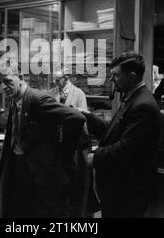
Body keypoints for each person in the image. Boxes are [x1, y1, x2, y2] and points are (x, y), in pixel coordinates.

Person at [0, 62, 86, 218]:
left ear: (20, 78)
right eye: (0, 83)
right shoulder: (15, 98)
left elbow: (76, 118)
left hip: (40, 173)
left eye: (7, 82)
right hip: (22, 167)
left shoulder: (37, 99)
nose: (3, 87)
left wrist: (63, 153)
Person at [81, 51, 160, 218]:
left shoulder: (143, 106)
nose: (111, 80)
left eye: (115, 75)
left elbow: (127, 149)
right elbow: (112, 132)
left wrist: (93, 157)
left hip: (128, 194)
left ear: (131, 76)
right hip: (119, 192)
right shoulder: (132, 98)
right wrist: (87, 117)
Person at [50, 67, 93, 217]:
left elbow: (84, 117)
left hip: (74, 142)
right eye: (54, 79)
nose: (55, 82)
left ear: (66, 78)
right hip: (58, 141)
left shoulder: (78, 93)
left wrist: (73, 111)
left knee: (75, 180)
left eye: (58, 80)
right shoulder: (53, 92)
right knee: (60, 179)